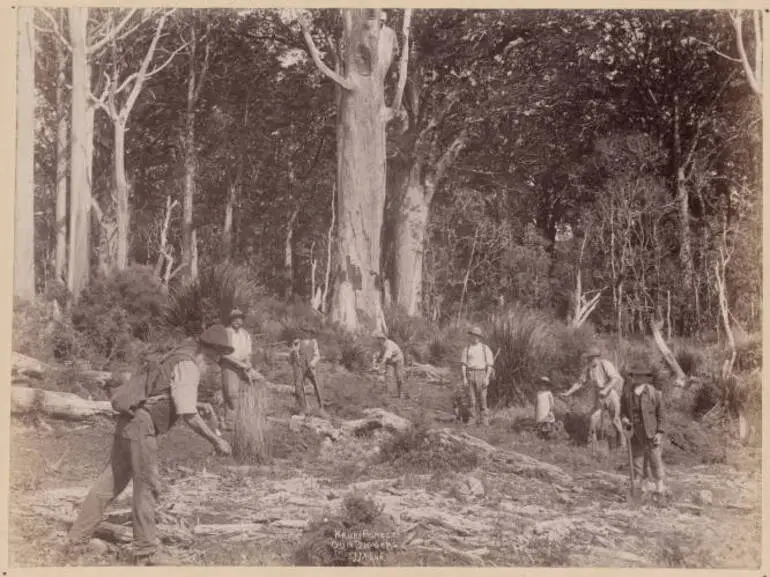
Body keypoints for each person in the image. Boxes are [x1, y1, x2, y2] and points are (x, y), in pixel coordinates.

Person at [65, 325, 234, 565]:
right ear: (209, 351)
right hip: (143, 426)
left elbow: (170, 393)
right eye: (215, 356)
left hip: (128, 421)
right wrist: (216, 439)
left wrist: (201, 404)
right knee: (146, 487)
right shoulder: (189, 365)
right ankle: (145, 552)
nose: (215, 361)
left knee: (110, 482)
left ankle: (76, 540)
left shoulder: (176, 355)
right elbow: (187, 412)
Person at [560, 346, 625, 450]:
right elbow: (579, 382)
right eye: (588, 358)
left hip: (611, 393)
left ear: (597, 357)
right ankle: (592, 444)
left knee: (615, 419)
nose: (589, 360)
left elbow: (615, 379)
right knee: (593, 418)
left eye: (591, 358)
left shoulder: (605, 364)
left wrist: (605, 390)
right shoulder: (588, 369)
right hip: (599, 395)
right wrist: (568, 392)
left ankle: (621, 443)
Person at [620, 362, 666, 495]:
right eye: (636, 376)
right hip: (634, 432)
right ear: (633, 377)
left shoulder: (654, 393)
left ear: (647, 378)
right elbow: (623, 411)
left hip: (651, 431)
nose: (639, 378)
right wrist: (624, 419)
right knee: (638, 460)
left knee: (654, 458)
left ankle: (659, 487)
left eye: (642, 376)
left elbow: (661, 413)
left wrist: (660, 432)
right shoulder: (627, 394)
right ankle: (642, 486)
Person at [220, 309, 254, 430]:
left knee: (246, 392)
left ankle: (242, 420)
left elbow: (249, 352)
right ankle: (230, 424)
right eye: (234, 319)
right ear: (231, 320)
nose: (237, 321)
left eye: (239, 319)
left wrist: (248, 363)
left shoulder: (245, 334)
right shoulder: (225, 332)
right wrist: (239, 363)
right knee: (231, 394)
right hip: (229, 366)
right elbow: (223, 354)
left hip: (243, 367)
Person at [460, 326, 495, 426]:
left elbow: (489, 365)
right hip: (470, 374)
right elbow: (463, 365)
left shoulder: (485, 348)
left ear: (479, 337)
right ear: (470, 336)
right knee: (471, 398)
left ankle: (485, 420)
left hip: (482, 374)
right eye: (472, 335)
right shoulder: (466, 349)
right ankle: (472, 419)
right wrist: (464, 378)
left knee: (483, 397)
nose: (474, 338)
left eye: (477, 336)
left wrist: (487, 378)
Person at [289, 327, 324, 412]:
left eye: (308, 332)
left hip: (310, 366)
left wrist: (313, 362)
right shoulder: (298, 342)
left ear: (311, 333)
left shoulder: (313, 342)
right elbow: (293, 355)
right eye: (304, 332)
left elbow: (317, 355)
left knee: (317, 384)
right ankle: (302, 407)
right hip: (300, 366)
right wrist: (294, 349)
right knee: (299, 386)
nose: (306, 334)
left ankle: (321, 406)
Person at [373, 331, 407, 399]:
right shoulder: (381, 345)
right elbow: (380, 354)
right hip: (390, 360)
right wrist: (375, 360)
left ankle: (401, 394)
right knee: (389, 376)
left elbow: (385, 358)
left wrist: (380, 368)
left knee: (399, 376)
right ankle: (389, 393)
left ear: (383, 339)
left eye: (379, 339)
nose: (378, 341)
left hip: (398, 358)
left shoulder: (389, 344)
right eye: (377, 339)